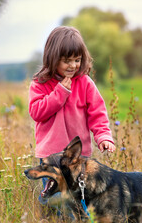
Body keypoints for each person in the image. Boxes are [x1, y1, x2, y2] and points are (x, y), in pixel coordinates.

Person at [28, 26, 116, 214]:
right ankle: (48, 215)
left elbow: (98, 113)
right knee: (53, 198)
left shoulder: (84, 82)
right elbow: (37, 112)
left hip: (78, 158)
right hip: (51, 157)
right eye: (67, 60)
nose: (73, 65)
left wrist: (103, 137)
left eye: (77, 60)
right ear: (53, 58)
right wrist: (60, 92)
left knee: (79, 199)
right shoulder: (40, 84)